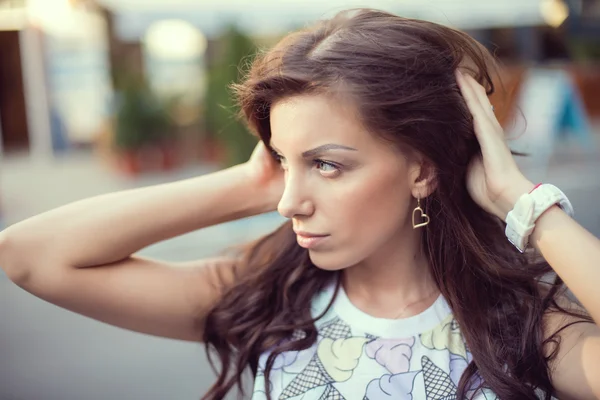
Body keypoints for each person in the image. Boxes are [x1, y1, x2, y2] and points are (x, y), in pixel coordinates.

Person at [1, 8, 599, 400]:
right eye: (285, 160)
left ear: (422, 169)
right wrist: (246, 184)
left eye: (328, 164)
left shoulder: (519, 324)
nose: (290, 202)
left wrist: (522, 202)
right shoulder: (270, 294)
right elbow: (30, 255)